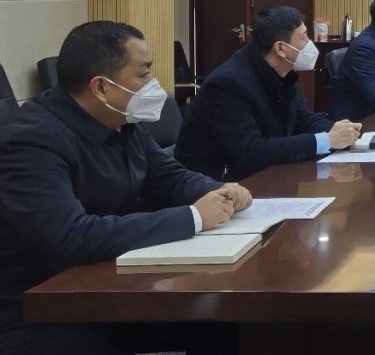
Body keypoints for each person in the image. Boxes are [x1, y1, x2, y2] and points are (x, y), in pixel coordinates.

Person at [0, 21, 251, 355]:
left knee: (228, 322)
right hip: (37, 311)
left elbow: (170, 178)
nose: (153, 84)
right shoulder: (31, 140)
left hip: (105, 288)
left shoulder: (120, 121)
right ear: (101, 87)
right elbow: (72, 236)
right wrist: (192, 217)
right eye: (144, 73)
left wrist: (220, 191)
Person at [175, 6, 363, 181]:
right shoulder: (227, 84)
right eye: (304, 37)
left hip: (269, 176)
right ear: (280, 48)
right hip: (218, 186)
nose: (309, 44)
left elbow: (301, 120)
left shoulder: (282, 71)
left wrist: (341, 132)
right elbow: (250, 151)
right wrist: (326, 140)